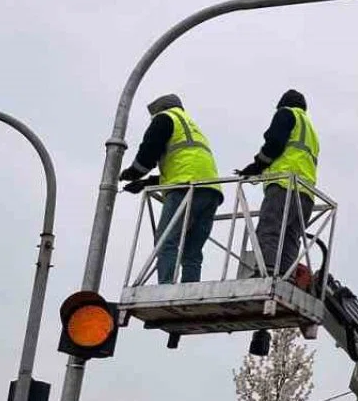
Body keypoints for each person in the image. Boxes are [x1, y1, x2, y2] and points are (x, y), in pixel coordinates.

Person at [119, 94, 224, 284]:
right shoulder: (190, 126)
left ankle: (165, 287)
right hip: (211, 191)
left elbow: (149, 153)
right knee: (192, 250)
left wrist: (132, 173)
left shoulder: (165, 118)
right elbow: (182, 165)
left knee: (167, 240)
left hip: (185, 188)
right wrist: (145, 183)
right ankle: (190, 289)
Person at [235, 89, 320, 277]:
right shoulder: (311, 131)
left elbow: (274, 143)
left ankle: (266, 271)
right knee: (291, 237)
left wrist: (257, 165)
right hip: (306, 194)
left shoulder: (286, 114)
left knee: (270, 228)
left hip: (284, 185)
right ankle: (285, 276)